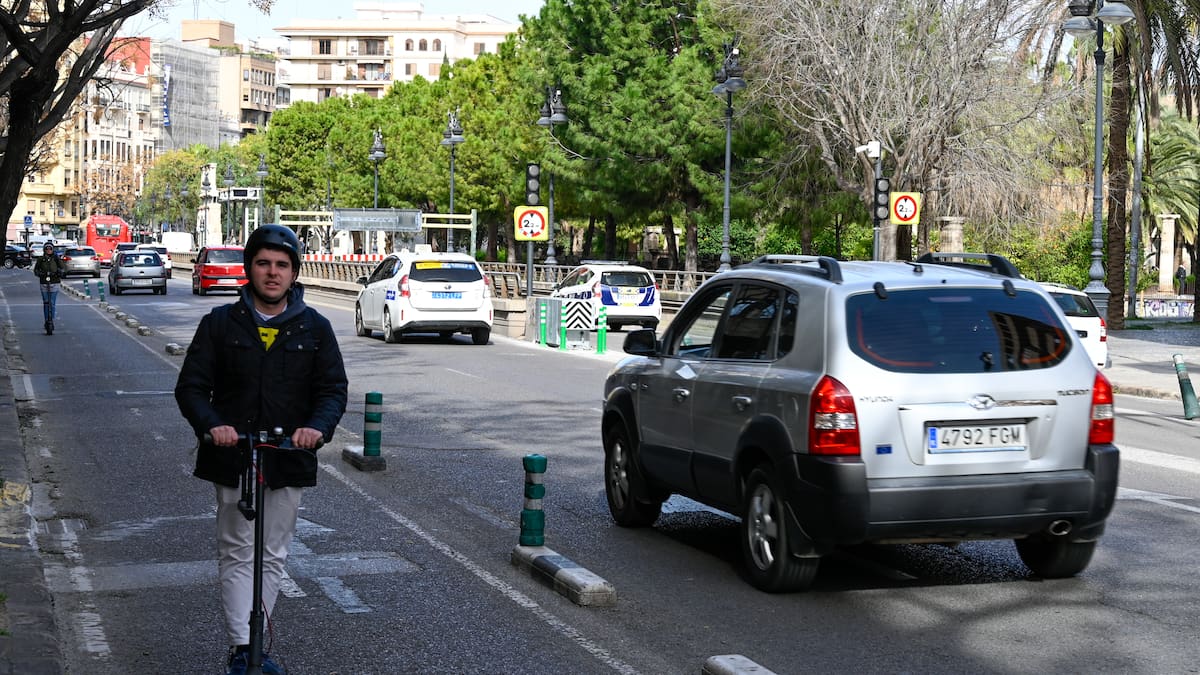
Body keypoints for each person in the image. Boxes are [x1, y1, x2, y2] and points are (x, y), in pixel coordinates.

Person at [175, 224, 348, 675]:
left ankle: (257, 646)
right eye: (264, 263)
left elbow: (332, 390)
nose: (272, 273)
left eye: (282, 265)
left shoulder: (315, 328)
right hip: (233, 456)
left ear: (294, 272)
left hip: (287, 455)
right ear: (249, 268)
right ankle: (242, 647)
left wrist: (316, 428)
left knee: (273, 553)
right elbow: (191, 388)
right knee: (236, 549)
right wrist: (214, 427)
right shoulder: (219, 324)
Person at [32, 242, 66, 335]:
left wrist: (59, 272)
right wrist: (40, 274)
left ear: (52, 249)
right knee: (46, 302)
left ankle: (52, 319)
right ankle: (47, 319)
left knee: (52, 303)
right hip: (44, 282)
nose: (48, 250)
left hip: (54, 282)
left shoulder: (56, 258)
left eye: (50, 249)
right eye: (47, 249)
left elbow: (63, 268)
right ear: (44, 250)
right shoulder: (41, 259)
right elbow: (35, 270)